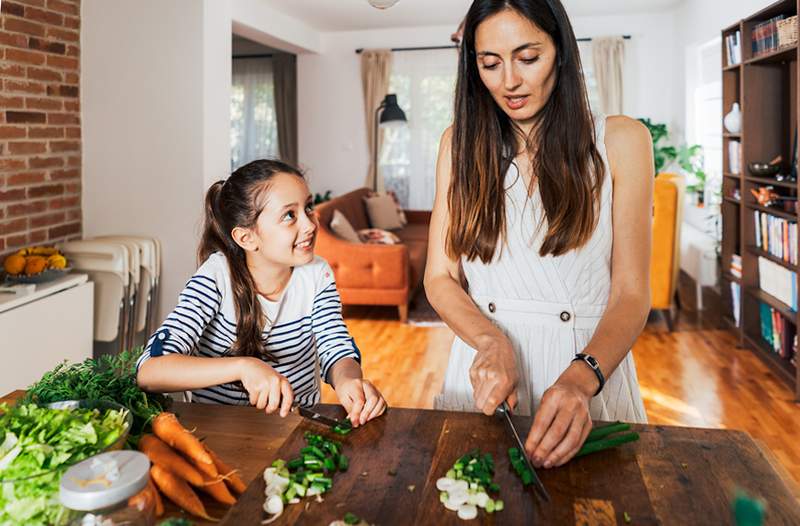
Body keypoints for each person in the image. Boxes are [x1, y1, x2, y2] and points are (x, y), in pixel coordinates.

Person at [425, 0, 653, 469]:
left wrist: (581, 379)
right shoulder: (458, 145)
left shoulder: (622, 141)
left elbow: (631, 294)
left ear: (561, 53)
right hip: (483, 372)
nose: (508, 80)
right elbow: (440, 277)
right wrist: (490, 342)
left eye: (528, 58)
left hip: (587, 372)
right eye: (490, 63)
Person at [137, 159, 386, 427]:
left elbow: (335, 346)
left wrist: (349, 381)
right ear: (247, 238)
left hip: (297, 427)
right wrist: (244, 367)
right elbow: (150, 370)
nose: (310, 224)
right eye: (289, 215)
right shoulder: (216, 276)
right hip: (222, 432)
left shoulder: (317, 273)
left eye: (308, 207)